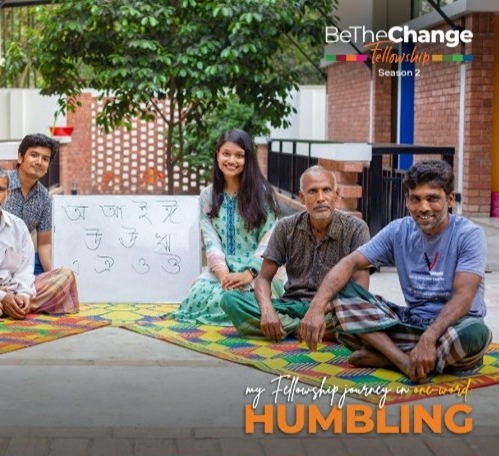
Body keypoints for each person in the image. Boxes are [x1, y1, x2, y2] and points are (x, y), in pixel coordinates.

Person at [299, 159, 492, 383]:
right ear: (407, 200)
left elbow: (463, 298)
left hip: (454, 326)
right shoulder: (399, 231)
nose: (423, 207)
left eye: (432, 198)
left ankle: (387, 356)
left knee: (475, 333)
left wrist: (429, 338)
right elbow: (349, 263)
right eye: (415, 199)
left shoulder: (469, 235)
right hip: (412, 323)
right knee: (342, 295)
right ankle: (405, 361)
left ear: (449, 199)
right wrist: (316, 307)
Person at [220, 165, 371, 341]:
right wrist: (268, 310)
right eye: (312, 191)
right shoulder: (286, 227)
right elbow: (263, 278)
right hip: (290, 305)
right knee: (230, 300)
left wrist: (318, 310)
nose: (320, 198)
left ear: (336, 195)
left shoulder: (356, 229)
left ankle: (289, 329)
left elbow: (360, 288)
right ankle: (309, 330)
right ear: (301, 197)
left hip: (332, 309)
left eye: (326, 190)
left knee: (362, 314)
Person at [166, 129, 282, 325]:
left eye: (239, 155)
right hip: (221, 273)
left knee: (251, 301)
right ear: (217, 155)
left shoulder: (263, 194)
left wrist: (248, 274)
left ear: (248, 159)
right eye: (226, 154)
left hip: (258, 274)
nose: (231, 160)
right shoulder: (207, 196)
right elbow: (211, 241)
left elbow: (269, 239)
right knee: (195, 297)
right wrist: (224, 277)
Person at [0, 164, 79, 319]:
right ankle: (6, 307)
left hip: (14, 290)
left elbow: (25, 270)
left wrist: (24, 294)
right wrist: (1, 296)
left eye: (0, 190)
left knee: (65, 276)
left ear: (8, 193)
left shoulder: (18, 227)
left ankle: (16, 305)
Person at [0, 133, 57, 275]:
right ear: (20, 157)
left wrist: (53, 276)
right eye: (34, 155)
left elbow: (45, 245)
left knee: (60, 276)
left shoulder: (44, 198)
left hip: (19, 258)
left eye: (45, 159)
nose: (39, 162)